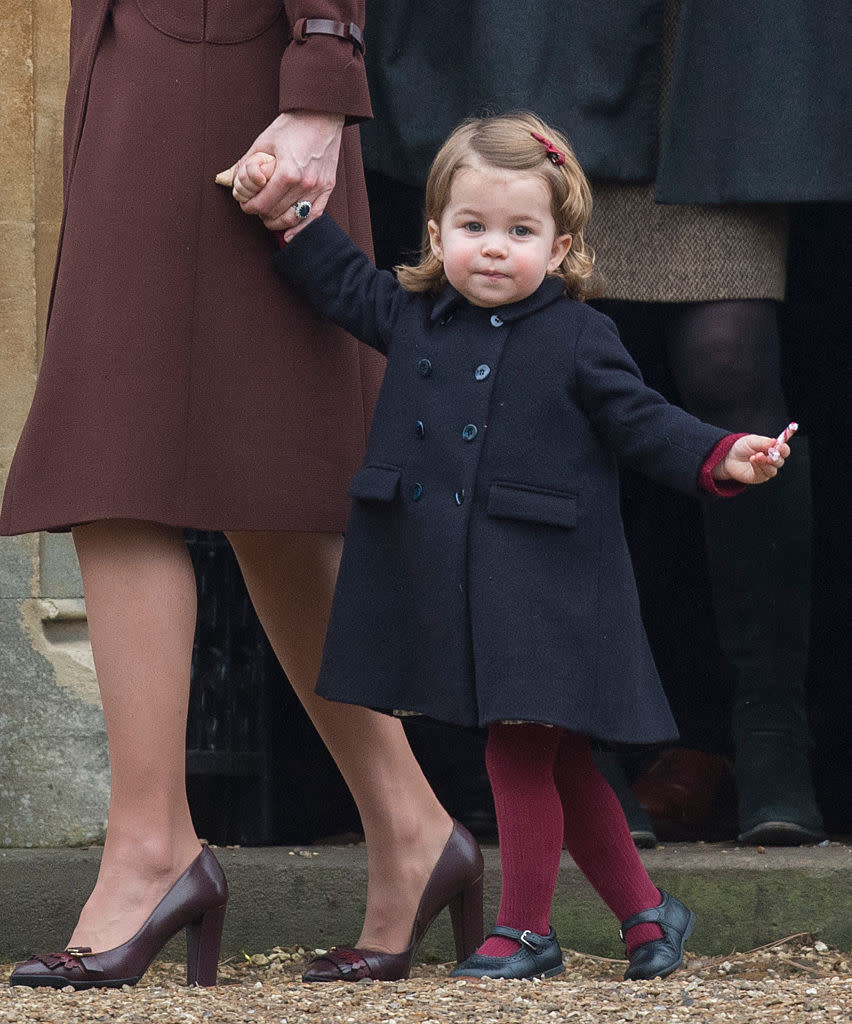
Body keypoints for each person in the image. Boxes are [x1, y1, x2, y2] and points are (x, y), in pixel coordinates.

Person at [230, 112, 796, 981]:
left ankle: (527, 927)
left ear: (561, 247)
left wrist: (724, 452)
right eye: (473, 228)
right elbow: (342, 284)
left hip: (548, 586)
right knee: (563, 758)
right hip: (460, 583)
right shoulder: (416, 314)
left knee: (520, 750)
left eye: (520, 232)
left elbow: (644, 423)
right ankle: (648, 914)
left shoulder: (580, 336)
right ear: (437, 234)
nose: (494, 249)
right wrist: (290, 216)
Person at [4, 0, 483, 991]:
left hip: (228, 69)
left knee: (117, 462)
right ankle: (409, 825)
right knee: (250, 483)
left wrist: (319, 66)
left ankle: (150, 850)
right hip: (142, 61)